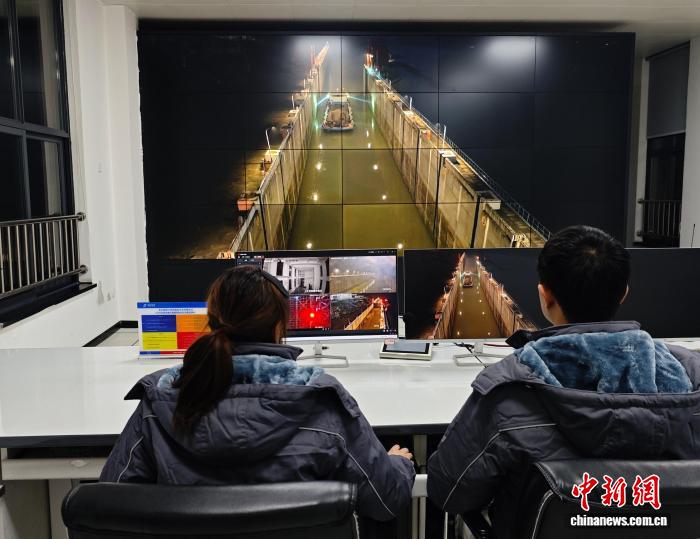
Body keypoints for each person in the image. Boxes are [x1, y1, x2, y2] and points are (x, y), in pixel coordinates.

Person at [427, 225, 700, 538]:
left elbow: (447, 490)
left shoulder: (509, 393)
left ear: (545, 296)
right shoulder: (690, 377)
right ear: (623, 293)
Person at [101, 265, 415, 523]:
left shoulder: (161, 400)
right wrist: (398, 465)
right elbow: (385, 501)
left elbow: (110, 506)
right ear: (280, 327)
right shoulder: (321, 401)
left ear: (212, 320)